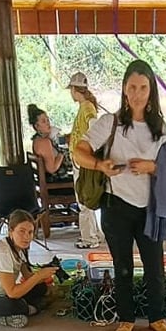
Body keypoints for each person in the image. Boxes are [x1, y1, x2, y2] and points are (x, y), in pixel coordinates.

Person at [73, 58, 166, 331]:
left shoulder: (161, 127)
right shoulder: (110, 122)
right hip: (116, 205)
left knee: (155, 266)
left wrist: (151, 167)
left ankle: (156, 317)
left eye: (143, 87)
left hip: (151, 209)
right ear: (124, 88)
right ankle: (126, 318)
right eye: (132, 87)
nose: (137, 93)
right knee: (122, 267)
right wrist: (99, 165)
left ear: (151, 90)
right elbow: (79, 151)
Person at [0, 209, 57, 329]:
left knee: (41, 288)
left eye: (30, 232)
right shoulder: (2, 254)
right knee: (15, 304)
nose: (26, 237)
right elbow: (13, 293)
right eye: (21, 231)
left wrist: (47, 273)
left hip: (3, 293)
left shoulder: (19, 248)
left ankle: (26, 309)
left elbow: (28, 276)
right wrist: (39, 276)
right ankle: (23, 310)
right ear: (10, 231)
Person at [66, 72, 105, 250]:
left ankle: (89, 238)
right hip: (79, 159)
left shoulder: (87, 107)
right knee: (84, 200)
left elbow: (94, 126)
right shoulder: (84, 106)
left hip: (82, 161)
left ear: (75, 89)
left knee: (83, 199)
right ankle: (95, 234)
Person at [27, 104, 70, 181]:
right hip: (57, 182)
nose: (48, 123)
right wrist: (62, 152)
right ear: (37, 126)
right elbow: (52, 168)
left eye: (48, 120)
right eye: (43, 121)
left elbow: (63, 141)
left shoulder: (43, 138)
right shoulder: (44, 142)